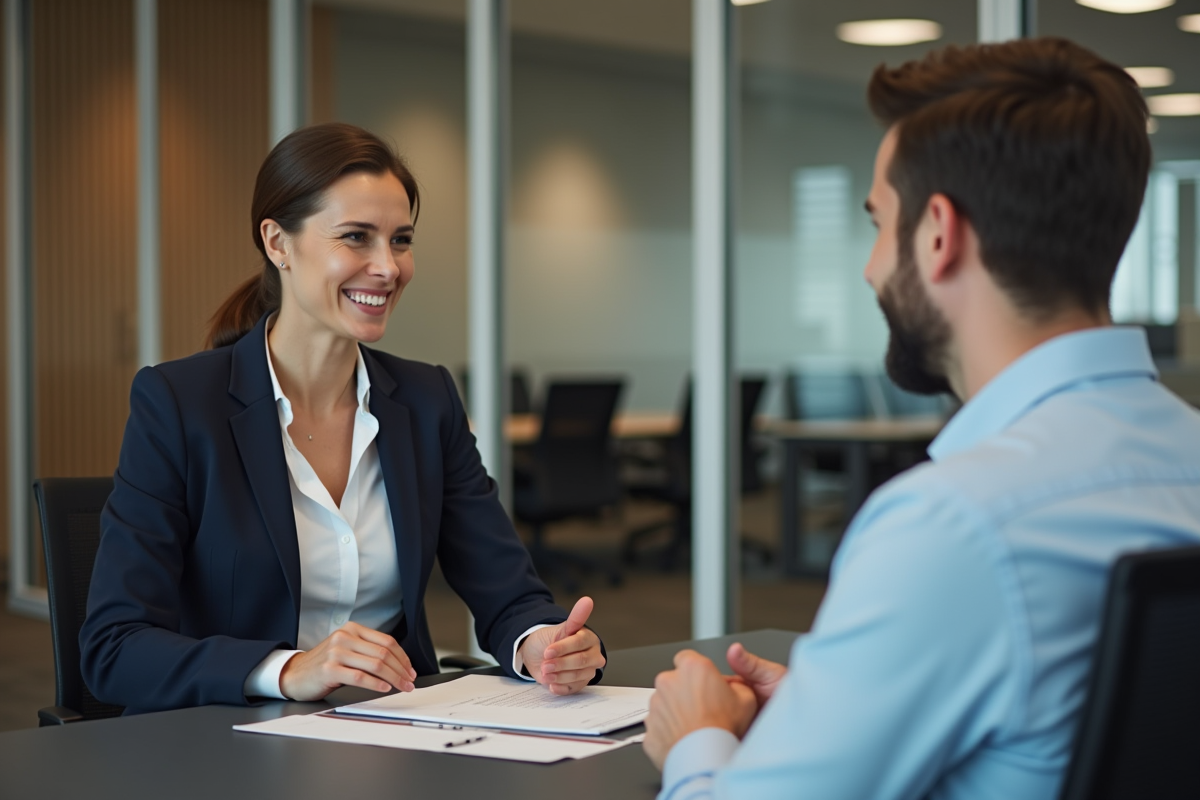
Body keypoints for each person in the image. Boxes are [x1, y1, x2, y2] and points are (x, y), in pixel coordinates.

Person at [644, 37, 1200, 800]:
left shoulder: (954, 526)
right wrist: (839, 693)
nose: (871, 266)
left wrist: (696, 738)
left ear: (938, 234)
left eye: (879, 224)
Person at [81, 123, 605, 714]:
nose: (388, 267)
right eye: (356, 237)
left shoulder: (426, 399)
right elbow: (114, 648)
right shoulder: (179, 403)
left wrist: (542, 644)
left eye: (401, 240)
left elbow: (509, 594)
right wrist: (289, 670)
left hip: (392, 733)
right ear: (278, 243)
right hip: (228, 739)